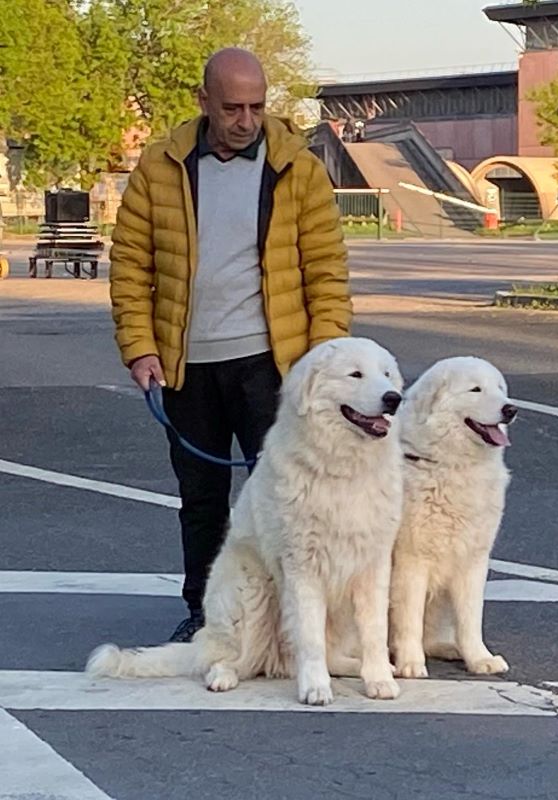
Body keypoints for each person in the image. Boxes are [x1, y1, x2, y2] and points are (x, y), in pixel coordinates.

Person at [109, 48, 352, 643]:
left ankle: (300, 615)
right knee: (201, 500)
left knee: (293, 498)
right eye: (233, 108)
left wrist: (326, 365)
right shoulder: (161, 166)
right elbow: (130, 263)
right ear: (204, 102)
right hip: (186, 368)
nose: (247, 120)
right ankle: (207, 612)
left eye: (257, 106)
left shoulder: (297, 168)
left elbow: (325, 270)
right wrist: (140, 347)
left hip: (273, 367)